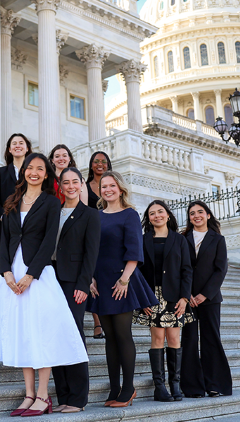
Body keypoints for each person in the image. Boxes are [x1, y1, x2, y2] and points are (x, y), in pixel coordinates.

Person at [0, 154, 88, 417]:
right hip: (11, 277)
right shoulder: (11, 202)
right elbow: (2, 240)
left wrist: (31, 275)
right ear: (24, 172)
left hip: (38, 275)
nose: (34, 172)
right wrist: (5, 272)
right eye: (30, 168)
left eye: (40, 169)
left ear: (46, 175)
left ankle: (44, 395)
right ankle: (28, 395)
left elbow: (48, 241)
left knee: (41, 333)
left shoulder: (52, 203)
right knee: (21, 332)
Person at [87, 171, 158, 408]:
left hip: (122, 281)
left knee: (122, 334)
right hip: (100, 281)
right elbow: (92, 251)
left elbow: (134, 251)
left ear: (120, 189)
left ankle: (128, 388)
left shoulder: (129, 214)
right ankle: (114, 388)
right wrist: (91, 278)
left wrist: (125, 280)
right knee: (109, 339)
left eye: (112, 186)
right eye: (104, 186)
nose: (107, 189)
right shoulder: (96, 216)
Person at [50, 167, 100, 413]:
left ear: (82, 185)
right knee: (56, 335)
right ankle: (64, 397)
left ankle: (78, 399)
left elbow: (91, 254)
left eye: (74, 182)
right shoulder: (53, 211)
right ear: (60, 185)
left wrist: (83, 284)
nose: (70, 186)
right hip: (50, 280)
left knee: (73, 334)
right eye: (65, 182)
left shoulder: (90, 214)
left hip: (74, 283)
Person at [133, 200, 193, 402]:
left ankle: (175, 384)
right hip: (152, 297)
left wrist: (185, 298)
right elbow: (137, 272)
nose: (156, 215)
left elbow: (187, 270)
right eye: (152, 213)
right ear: (148, 218)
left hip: (174, 297)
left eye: (160, 212)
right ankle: (160, 387)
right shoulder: (143, 240)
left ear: (168, 215)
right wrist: (142, 298)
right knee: (157, 339)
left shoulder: (180, 240)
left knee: (175, 339)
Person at [180, 200, 233, 398]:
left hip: (210, 298)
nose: (196, 216)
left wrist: (204, 294)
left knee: (211, 340)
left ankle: (215, 385)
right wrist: (187, 295)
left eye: (200, 212)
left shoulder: (218, 239)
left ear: (208, 215)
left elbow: (221, 270)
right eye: (192, 213)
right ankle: (192, 387)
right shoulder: (183, 238)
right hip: (187, 299)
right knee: (190, 340)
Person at [0, 133, 32, 276]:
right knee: (4, 266)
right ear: (9, 149)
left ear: (27, 148)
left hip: (29, 225)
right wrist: (3, 216)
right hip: (5, 225)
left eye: (21, 143)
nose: (18, 146)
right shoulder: (0, 172)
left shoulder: (33, 173)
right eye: (14, 143)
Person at [85, 150, 112, 339]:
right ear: (91, 165)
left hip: (110, 235)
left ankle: (109, 317)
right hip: (91, 234)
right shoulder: (85, 187)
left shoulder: (113, 185)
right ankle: (97, 322)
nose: (100, 164)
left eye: (103, 161)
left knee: (107, 277)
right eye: (96, 161)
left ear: (108, 164)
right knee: (92, 276)